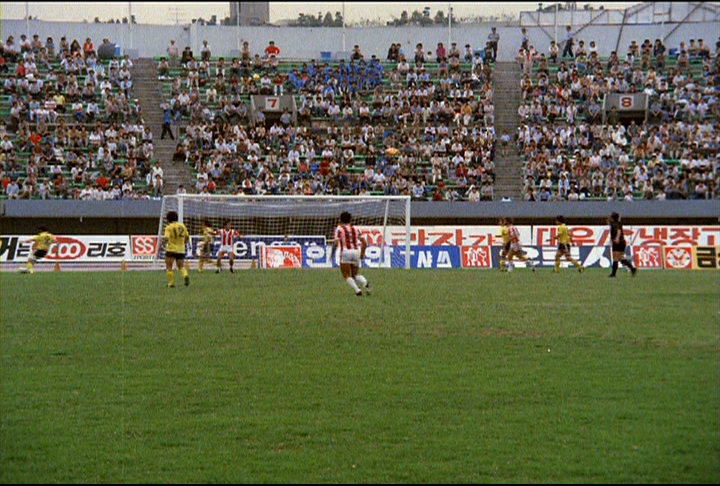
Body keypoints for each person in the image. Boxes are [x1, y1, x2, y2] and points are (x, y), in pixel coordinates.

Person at [334, 211, 370, 296]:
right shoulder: (355, 229)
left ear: (341, 220)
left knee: (346, 274)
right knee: (355, 274)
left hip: (346, 252)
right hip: (356, 251)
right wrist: (362, 254)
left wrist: (334, 252)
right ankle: (365, 283)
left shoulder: (339, 229)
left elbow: (336, 242)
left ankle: (358, 291)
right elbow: (364, 242)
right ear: (350, 220)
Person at [162, 210, 190, 287]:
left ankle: (171, 283)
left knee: (169, 266)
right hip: (181, 249)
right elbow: (187, 236)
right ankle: (185, 275)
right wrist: (184, 242)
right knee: (181, 266)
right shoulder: (182, 226)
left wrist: (161, 245)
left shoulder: (168, 227)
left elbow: (166, 238)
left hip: (171, 249)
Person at [608, 212, 637, 278]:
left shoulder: (615, 224)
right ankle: (632, 268)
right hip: (621, 242)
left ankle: (613, 274)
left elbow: (618, 231)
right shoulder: (618, 223)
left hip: (618, 242)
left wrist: (617, 238)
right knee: (619, 258)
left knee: (616, 258)